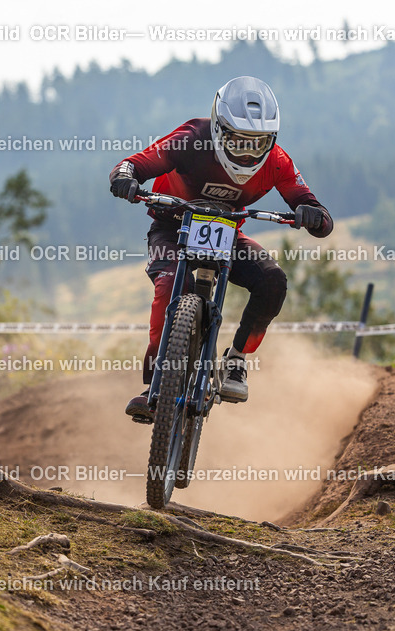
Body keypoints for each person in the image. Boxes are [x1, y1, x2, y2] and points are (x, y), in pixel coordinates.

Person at [109, 76, 333, 423]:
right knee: (170, 288)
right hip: (172, 226)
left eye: (257, 143)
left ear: (272, 139)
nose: (246, 152)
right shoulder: (192, 139)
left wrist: (314, 216)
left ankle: (237, 360)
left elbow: (313, 207)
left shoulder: (277, 161)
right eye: (237, 141)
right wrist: (125, 177)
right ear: (217, 128)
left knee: (272, 280)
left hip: (227, 234)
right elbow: (137, 162)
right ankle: (155, 386)